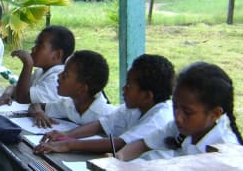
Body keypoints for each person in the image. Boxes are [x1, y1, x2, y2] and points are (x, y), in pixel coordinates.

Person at [33, 54, 175, 154]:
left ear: (147, 96)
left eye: (129, 86)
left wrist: (68, 144)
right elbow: (102, 124)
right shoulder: (133, 109)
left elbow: (120, 143)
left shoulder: (158, 119)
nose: (123, 89)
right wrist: (65, 134)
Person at [115, 62, 243, 161]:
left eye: (188, 112)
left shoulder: (225, 151)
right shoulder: (180, 126)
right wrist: (119, 158)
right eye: (175, 106)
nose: (178, 117)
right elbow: (143, 144)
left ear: (215, 114)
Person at [0, 25, 75, 106]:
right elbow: (14, 87)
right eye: (35, 44)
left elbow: (22, 98)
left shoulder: (56, 78)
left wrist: (28, 65)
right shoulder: (40, 71)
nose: (33, 49)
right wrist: (6, 95)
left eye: (40, 46)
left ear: (57, 55)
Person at [28, 50, 116, 128]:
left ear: (81, 88)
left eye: (65, 75)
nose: (59, 76)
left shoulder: (108, 115)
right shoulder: (69, 106)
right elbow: (36, 104)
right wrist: (39, 112)